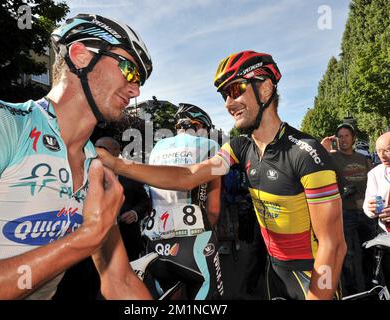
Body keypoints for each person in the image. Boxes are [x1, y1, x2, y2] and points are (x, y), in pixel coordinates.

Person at [98, 50, 347, 300]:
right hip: (273, 269)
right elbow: (189, 176)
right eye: (225, 95)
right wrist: (118, 164)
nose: (228, 104)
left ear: (266, 89)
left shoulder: (306, 153)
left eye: (236, 89)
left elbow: (333, 245)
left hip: (311, 272)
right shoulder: (240, 147)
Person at [0, 13, 153, 299]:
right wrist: (83, 240)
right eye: (129, 70)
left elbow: (119, 282)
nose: (136, 89)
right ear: (80, 55)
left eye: (140, 80)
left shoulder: (97, 168)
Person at [142, 103, 223, 300]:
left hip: (156, 242)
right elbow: (213, 209)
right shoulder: (210, 146)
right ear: (199, 125)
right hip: (194, 241)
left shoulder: (156, 148)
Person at [321, 123, 376, 295]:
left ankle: (371, 288)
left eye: (346, 136)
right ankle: (351, 292)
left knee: (370, 251)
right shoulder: (332, 157)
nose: (343, 139)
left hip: (367, 213)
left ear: (353, 138)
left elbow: (374, 183)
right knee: (348, 256)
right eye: (340, 136)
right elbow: (317, 169)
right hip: (345, 213)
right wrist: (323, 148)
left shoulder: (363, 159)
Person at [95, 137, 150, 260]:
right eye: (96, 147)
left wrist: (135, 213)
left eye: (102, 148)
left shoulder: (131, 175)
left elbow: (144, 200)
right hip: (97, 241)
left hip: (128, 240)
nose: (97, 151)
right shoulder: (88, 173)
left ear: (115, 152)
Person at [363, 131, 390, 299]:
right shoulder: (375, 174)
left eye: (387, 150)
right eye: (378, 151)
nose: (382, 155)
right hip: (388, 242)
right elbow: (367, 205)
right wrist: (370, 208)